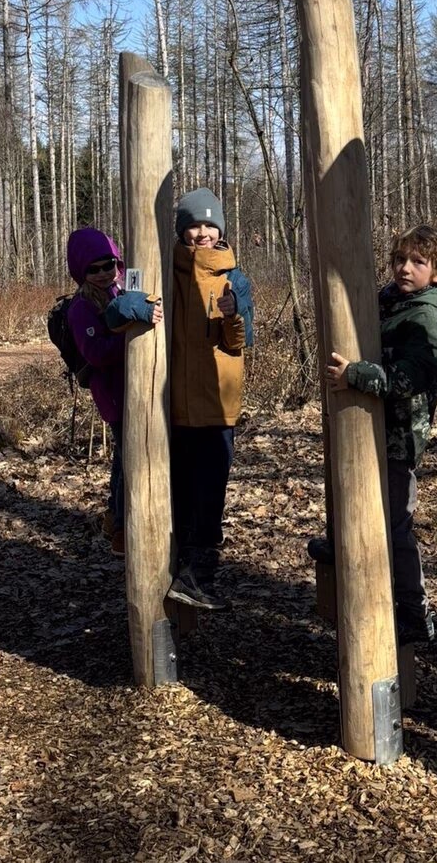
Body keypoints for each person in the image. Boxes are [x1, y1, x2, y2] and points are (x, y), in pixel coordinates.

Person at [325, 224, 437, 645]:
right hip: (367, 429)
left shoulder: (427, 315)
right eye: (400, 259)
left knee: (397, 524)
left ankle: (413, 611)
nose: (405, 268)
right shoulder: (390, 301)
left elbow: (412, 376)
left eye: (418, 262)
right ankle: (341, 551)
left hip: (400, 435)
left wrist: (357, 375)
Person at [165, 188, 254, 611]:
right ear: (181, 230)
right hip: (172, 406)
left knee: (210, 497)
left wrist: (233, 315)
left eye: (209, 225)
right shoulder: (165, 271)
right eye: (193, 225)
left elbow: (239, 343)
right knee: (178, 496)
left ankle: (199, 576)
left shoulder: (235, 277)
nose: (202, 233)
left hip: (218, 406)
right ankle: (173, 572)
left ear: (220, 229)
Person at [65, 227, 162, 557]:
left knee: (124, 457)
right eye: (94, 269)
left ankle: (113, 515)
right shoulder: (81, 308)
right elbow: (96, 352)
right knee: (127, 457)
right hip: (113, 394)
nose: (104, 273)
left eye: (109, 265)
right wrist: (134, 335)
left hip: (133, 387)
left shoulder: (120, 290)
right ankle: (122, 527)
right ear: (81, 272)